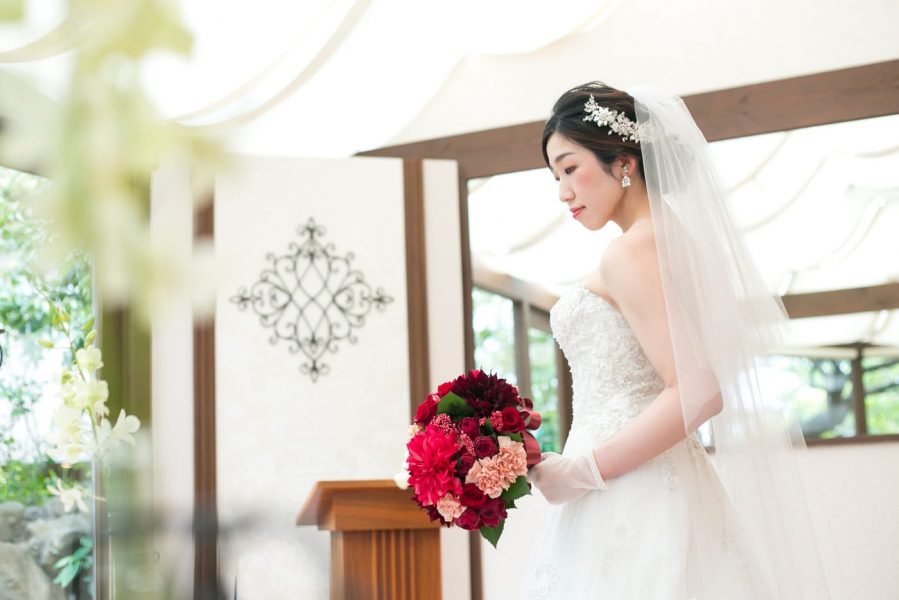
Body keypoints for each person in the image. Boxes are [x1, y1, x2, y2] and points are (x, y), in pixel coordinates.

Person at [520, 83, 835, 599]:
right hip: (658, 476)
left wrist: (584, 470)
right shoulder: (674, 237)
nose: (563, 192)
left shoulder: (630, 251)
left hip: (628, 490)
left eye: (570, 168)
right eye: (555, 177)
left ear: (624, 162)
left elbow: (697, 389)